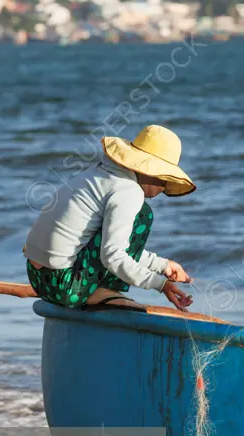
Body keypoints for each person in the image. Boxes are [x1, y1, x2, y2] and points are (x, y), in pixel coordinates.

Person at [23, 124, 195, 312]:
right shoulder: (129, 191)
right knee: (144, 215)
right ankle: (104, 292)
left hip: (37, 278)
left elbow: (111, 244)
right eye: (164, 180)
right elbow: (113, 254)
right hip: (65, 288)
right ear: (148, 171)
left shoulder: (98, 175)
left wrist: (162, 265)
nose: (164, 188)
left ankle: (98, 291)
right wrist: (160, 284)